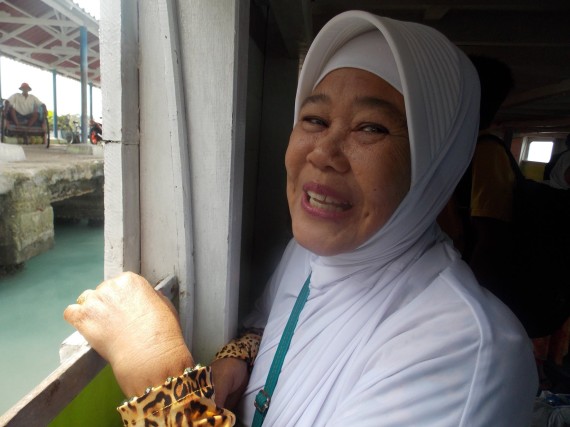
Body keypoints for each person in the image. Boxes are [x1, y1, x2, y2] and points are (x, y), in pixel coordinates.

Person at [64, 10, 538, 426]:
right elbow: (270, 324)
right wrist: (240, 353)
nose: (324, 153)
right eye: (314, 120)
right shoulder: (309, 252)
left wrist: (161, 376)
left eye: (371, 127)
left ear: (436, 161)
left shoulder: (468, 353)